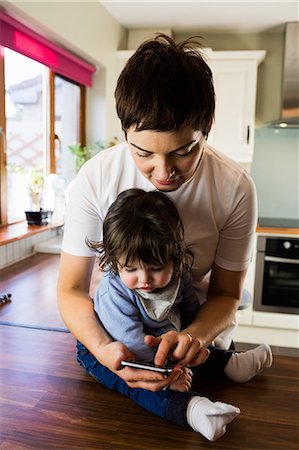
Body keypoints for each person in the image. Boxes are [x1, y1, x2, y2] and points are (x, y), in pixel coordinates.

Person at [58, 34, 260, 392]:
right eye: (143, 153)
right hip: (124, 340)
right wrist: (105, 349)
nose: (164, 172)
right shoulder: (96, 178)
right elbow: (71, 289)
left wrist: (193, 338)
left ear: (207, 126)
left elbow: (226, 295)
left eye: (183, 151)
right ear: (125, 133)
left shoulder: (235, 188)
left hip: (201, 343)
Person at [77, 188, 272, 441]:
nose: (145, 279)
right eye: (131, 268)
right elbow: (131, 342)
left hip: (161, 341)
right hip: (117, 351)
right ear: (115, 262)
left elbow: (192, 313)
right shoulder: (114, 291)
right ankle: (192, 410)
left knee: (190, 348)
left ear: (174, 256)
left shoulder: (179, 275)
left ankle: (231, 365)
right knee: (140, 387)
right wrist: (169, 375)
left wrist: (196, 344)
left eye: (156, 268)